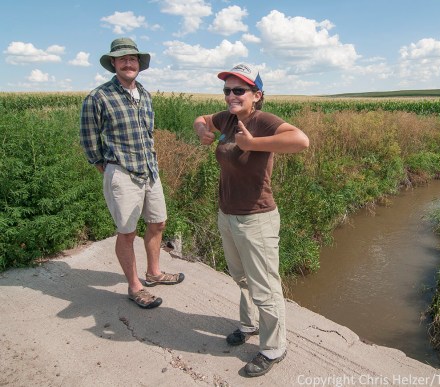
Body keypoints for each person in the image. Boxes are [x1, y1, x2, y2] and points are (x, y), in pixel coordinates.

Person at [194, 64, 309, 377]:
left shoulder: (263, 121)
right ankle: (248, 325)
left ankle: (274, 347)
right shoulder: (228, 118)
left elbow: (301, 141)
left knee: (265, 287)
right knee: (242, 278)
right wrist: (204, 132)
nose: (231, 96)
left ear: (257, 95)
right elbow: (202, 119)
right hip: (227, 214)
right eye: (227, 90)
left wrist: (253, 144)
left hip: (256, 218)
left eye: (239, 90)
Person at [80, 38, 184, 309]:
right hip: (122, 172)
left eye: (133, 58)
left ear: (139, 64)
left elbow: (147, 134)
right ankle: (135, 286)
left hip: (150, 170)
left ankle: (154, 272)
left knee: (158, 222)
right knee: (127, 232)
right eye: (122, 58)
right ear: (113, 63)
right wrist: (102, 164)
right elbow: (89, 137)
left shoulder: (145, 95)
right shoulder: (99, 96)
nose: (128, 63)